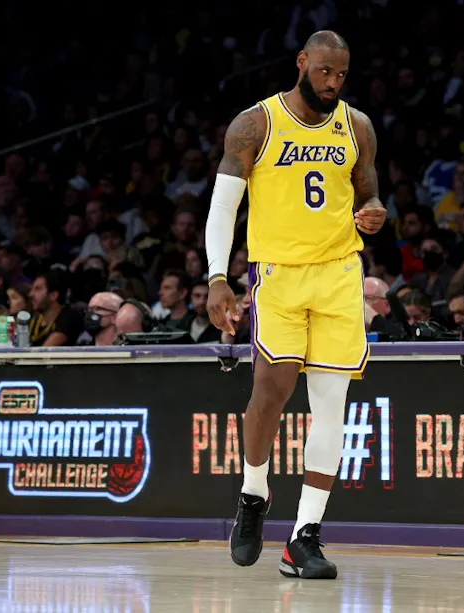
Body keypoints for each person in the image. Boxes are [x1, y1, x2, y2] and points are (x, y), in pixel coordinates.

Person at [204, 31, 386, 580]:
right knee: (272, 390)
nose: (333, 83)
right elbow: (222, 209)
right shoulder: (255, 124)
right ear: (303, 62)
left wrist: (374, 209)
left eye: (341, 76)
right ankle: (253, 493)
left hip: (337, 274)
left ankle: (304, 537)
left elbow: (369, 189)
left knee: (331, 406)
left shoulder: (356, 126)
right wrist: (217, 277)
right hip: (279, 275)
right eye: (325, 72)